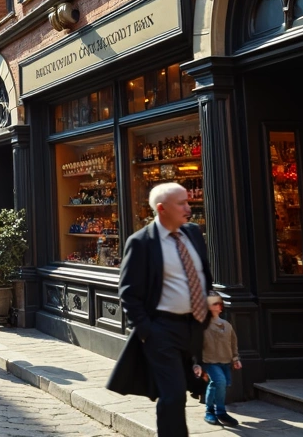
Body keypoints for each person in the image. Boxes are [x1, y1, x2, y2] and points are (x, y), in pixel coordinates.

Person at [106, 183, 214, 437]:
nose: (188, 208)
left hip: (195, 326)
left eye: (188, 201)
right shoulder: (141, 242)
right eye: (181, 203)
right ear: (162, 209)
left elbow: (202, 275)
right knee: (173, 395)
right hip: (162, 329)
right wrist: (147, 332)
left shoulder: (193, 233)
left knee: (197, 385)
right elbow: (128, 292)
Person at [193, 293, 241, 427]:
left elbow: (233, 343)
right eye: (214, 303)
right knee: (219, 381)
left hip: (225, 362)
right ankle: (214, 411)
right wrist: (196, 363)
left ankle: (216, 412)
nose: (218, 306)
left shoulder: (227, 325)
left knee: (218, 385)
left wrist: (235, 359)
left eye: (219, 303)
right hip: (209, 361)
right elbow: (195, 346)